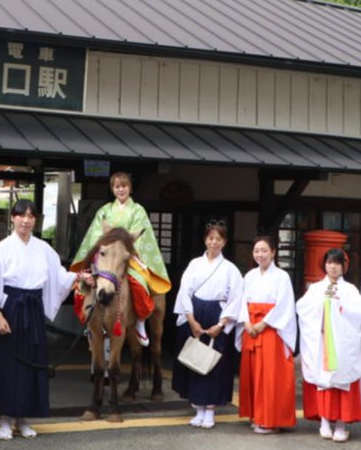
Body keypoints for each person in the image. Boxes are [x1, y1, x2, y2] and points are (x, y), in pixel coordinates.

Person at [0, 199, 78, 440]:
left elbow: (60, 276)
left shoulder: (43, 249)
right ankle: (4, 419)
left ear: (36, 220)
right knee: (7, 366)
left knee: (31, 364)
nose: (25, 220)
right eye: (21, 215)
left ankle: (23, 418)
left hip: (32, 310)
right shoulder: (2, 248)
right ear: (13, 218)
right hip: (11, 307)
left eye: (31, 216)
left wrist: (80, 278)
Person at [70, 172, 171, 345]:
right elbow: (96, 234)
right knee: (84, 281)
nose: (120, 190)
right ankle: (89, 318)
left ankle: (140, 320)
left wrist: (124, 249)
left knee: (139, 282)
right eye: (116, 187)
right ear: (112, 189)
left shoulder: (138, 210)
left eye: (124, 186)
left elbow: (139, 235)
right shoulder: (105, 210)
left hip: (127, 255)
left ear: (130, 188)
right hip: (107, 256)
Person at [171, 222, 243, 429]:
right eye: (211, 238)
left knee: (215, 364)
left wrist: (222, 324)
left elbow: (236, 298)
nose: (214, 242)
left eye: (218, 238)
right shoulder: (195, 264)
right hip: (195, 312)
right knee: (195, 359)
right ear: (205, 240)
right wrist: (191, 319)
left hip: (217, 314)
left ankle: (210, 410)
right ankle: (198, 408)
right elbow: (184, 291)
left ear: (224, 242)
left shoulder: (230, 269)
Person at [296, 248, 361, 443]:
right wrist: (322, 307)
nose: (333, 266)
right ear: (324, 265)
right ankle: (325, 421)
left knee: (342, 379)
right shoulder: (316, 288)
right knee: (324, 380)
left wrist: (342, 308)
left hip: (343, 342)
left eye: (337, 263)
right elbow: (302, 308)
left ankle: (342, 424)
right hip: (322, 339)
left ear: (344, 266)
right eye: (329, 262)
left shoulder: (351, 290)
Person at [236, 235, 297, 434]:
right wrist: (246, 321)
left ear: (273, 252)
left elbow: (284, 305)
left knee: (270, 376)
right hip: (251, 328)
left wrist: (263, 323)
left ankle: (270, 419)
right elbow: (241, 301)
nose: (260, 254)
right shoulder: (250, 276)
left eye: (264, 250)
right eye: (256, 251)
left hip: (271, 330)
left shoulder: (282, 276)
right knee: (253, 374)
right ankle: (257, 415)